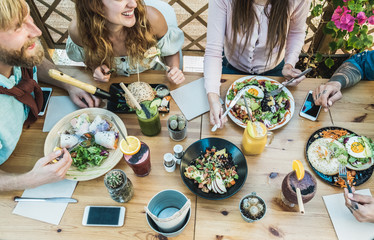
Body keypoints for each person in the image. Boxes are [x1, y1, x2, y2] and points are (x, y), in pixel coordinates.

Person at [0, 0, 100, 191]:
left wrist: (68, 83)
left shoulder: (11, 55)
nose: (37, 31)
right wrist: (28, 181)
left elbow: (34, 62)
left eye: (28, 17)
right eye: (18, 26)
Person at [204, 0, 311, 128]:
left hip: (274, 70)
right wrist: (214, 99)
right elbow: (213, 51)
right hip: (231, 68)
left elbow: (296, 32)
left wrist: (289, 64)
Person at [66, 0, 185, 84]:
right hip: (113, 85)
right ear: (94, 4)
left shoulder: (152, 20)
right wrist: (95, 69)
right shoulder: (79, 31)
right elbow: (88, 58)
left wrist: (174, 69)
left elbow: (171, 50)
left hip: (154, 80)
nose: (133, 4)